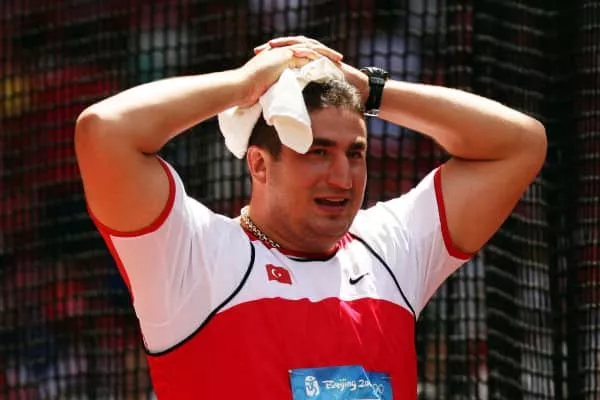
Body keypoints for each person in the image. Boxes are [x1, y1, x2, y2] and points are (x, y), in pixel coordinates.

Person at [74, 36, 547, 399]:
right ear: (259, 164)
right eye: (317, 152)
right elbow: (104, 131)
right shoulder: (196, 258)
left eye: (355, 153)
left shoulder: (388, 247)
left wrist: (370, 90)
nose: (342, 178)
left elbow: (521, 143)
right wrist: (245, 84)